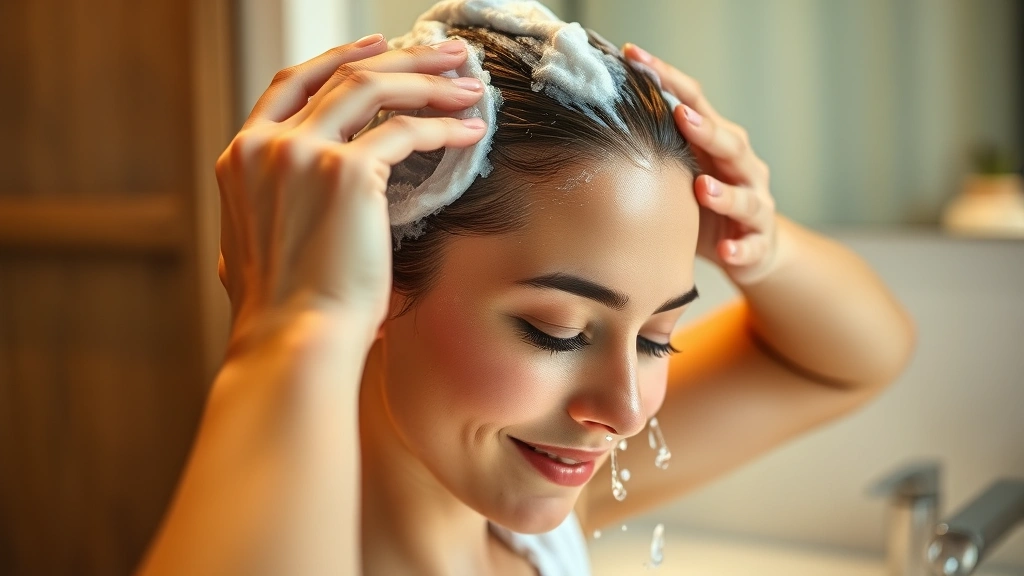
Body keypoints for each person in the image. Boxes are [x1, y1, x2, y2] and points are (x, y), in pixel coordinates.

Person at [137, 1, 915, 574]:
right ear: (372, 278)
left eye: (657, 338)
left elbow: (856, 358)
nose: (627, 412)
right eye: (559, 331)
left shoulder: (535, 521)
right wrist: (292, 325)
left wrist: (762, 245)